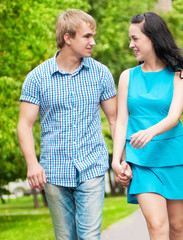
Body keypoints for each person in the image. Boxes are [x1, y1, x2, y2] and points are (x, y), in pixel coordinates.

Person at [17, 9, 118, 240]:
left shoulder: (100, 73)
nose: (93, 42)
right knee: (65, 238)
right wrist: (32, 165)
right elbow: (24, 124)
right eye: (87, 36)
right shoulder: (37, 77)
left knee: (90, 236)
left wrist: (119, 159)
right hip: (54, 170)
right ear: (68, 38)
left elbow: (114, 119)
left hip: (92, 165)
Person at [112, 12, 183, 240]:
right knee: (157, 225)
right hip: (141, 161)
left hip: (174, 157)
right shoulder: (127, 77)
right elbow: (121, 120)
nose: (130, 45)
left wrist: (150, 131)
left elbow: (173, 117)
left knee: (178, 227)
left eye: (135, 39)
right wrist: (117, 160)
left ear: (152, 38)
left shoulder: (179, 76)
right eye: (130, 39)